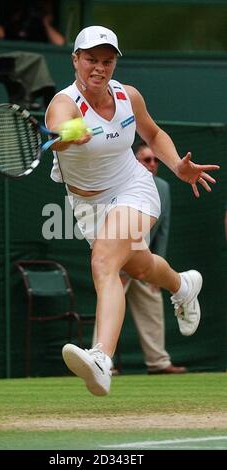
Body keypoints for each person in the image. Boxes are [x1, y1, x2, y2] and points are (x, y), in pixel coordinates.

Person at [45, 25, 219, 396]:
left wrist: (177, 166)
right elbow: (59, 128)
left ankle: (101, 359)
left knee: (104, 262)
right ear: (75, 60)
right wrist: (72, 131)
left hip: (133, 187)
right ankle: (183, 285)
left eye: (107, 61)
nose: (99, 68)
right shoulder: (64, 102)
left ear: (114, 64)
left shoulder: (129, 96)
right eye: (91, 59)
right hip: (86, 205)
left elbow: (153, 134)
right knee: (138, 266)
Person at [123, 142, 186, 374]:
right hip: (118, 260)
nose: (151, 164)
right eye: (146, 159)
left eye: (155, 160)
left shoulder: (163, 188)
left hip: (145, 260)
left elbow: (162, 230)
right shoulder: (122, 184)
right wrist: (117, 268)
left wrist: (156, 272)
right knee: (110, 304)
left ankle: (158, 363)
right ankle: (102, 362)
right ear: (135, 162)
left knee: (153, 306)